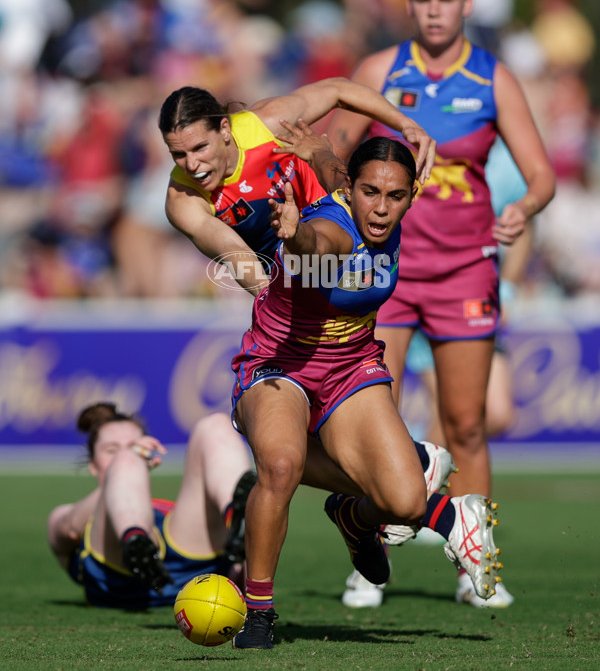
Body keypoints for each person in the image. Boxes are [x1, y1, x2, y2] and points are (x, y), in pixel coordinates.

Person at [327, 0, 555, 609]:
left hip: (465, 271)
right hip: (386, 273)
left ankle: (474, 566)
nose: (433, 11)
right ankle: (369, 561)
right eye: (423, 0)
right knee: (376, 421)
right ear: (409, 3)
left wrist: (522, 208)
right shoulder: (379, 69)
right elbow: (332, 154)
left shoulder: (492, 78)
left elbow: (540, 174)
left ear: (467, 4)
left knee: (467, 424)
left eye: (445, 0)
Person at [229, 137, 504, 650]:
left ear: (412, 193)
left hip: (351, 366)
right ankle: (260, 612)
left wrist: (317, 149)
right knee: (282, 467)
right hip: (280, 364)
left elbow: (333, 165)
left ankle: (352, 517)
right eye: (370, 192)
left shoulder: (368, 196)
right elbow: (319, 242)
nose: (380, 208)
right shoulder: (333, 226)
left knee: (402, 503)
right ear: (351, 191)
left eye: (395, 196)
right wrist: (295, 235)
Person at [159, 77, 436, 299]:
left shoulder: (267, 123)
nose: (192, 165)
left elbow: (338, 89)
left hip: (348, 245)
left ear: (224, 129)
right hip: (292, 281)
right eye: (178, 155)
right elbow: (236, 254)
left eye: (200, 148)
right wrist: (274, 307)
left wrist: (406, 125)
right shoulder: (183, 200)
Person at [47, 402, 256, 609]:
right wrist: (127, 460)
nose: (127, 453)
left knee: (216, 425)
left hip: (195, 572)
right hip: (116, 575)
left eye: (135, 445)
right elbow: (68, 528)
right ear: (92, 464)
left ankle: (239, 518)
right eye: (111, 450)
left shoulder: (166, 511)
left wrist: (245, 564)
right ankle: (136, 544)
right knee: (125, 461)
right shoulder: (77, 516)